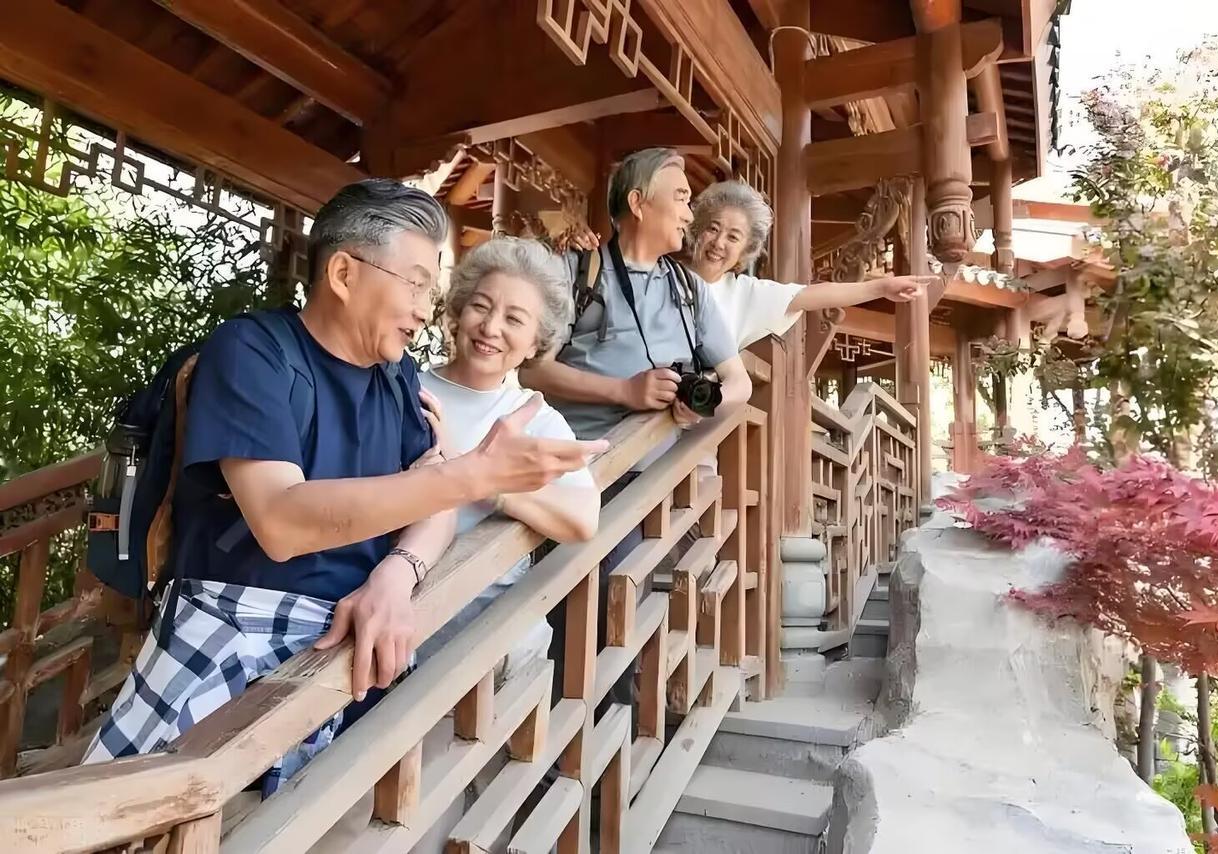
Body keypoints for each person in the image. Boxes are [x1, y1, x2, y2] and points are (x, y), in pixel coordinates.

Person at [82, 180, 606, 788]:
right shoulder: (253, 351)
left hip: (354, 641)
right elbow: (282, 522)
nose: (424, 307)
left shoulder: (398, 376)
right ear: (343, 273)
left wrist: (397, 574)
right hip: (235, 625)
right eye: (415, 281)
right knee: (138, 807)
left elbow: (434, 499)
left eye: (429, 287)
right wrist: (471, 474)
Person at [520, 147, 752, 712]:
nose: (689, 212)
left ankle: (607, 748)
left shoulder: (688, 289)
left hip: (654, 477)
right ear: (637, 202)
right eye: (679, 197)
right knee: (578, 612)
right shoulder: (576, 271)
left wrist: (700, 405)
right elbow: (531, 367)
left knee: (626, 608)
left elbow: (739, 383)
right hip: (579, 470)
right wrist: (623, 392)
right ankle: (571, 755)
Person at [416, 237, 600, 680]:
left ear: (537, 342)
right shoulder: (406, 389)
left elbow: (582, 519)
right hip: (399, 612)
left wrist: (486, 483)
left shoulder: (535, 417)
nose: (491, 327)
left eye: (514, 319)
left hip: (489, 628)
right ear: (458, 312)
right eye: (481, 306)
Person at [570, 179, 933, 351]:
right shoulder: (659, 270)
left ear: (745, 251)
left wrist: (880, 287)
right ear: (696, 231)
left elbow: (811, 295)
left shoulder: (745, 294)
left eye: (733, 237)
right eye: (713, 229)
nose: (718, 243)